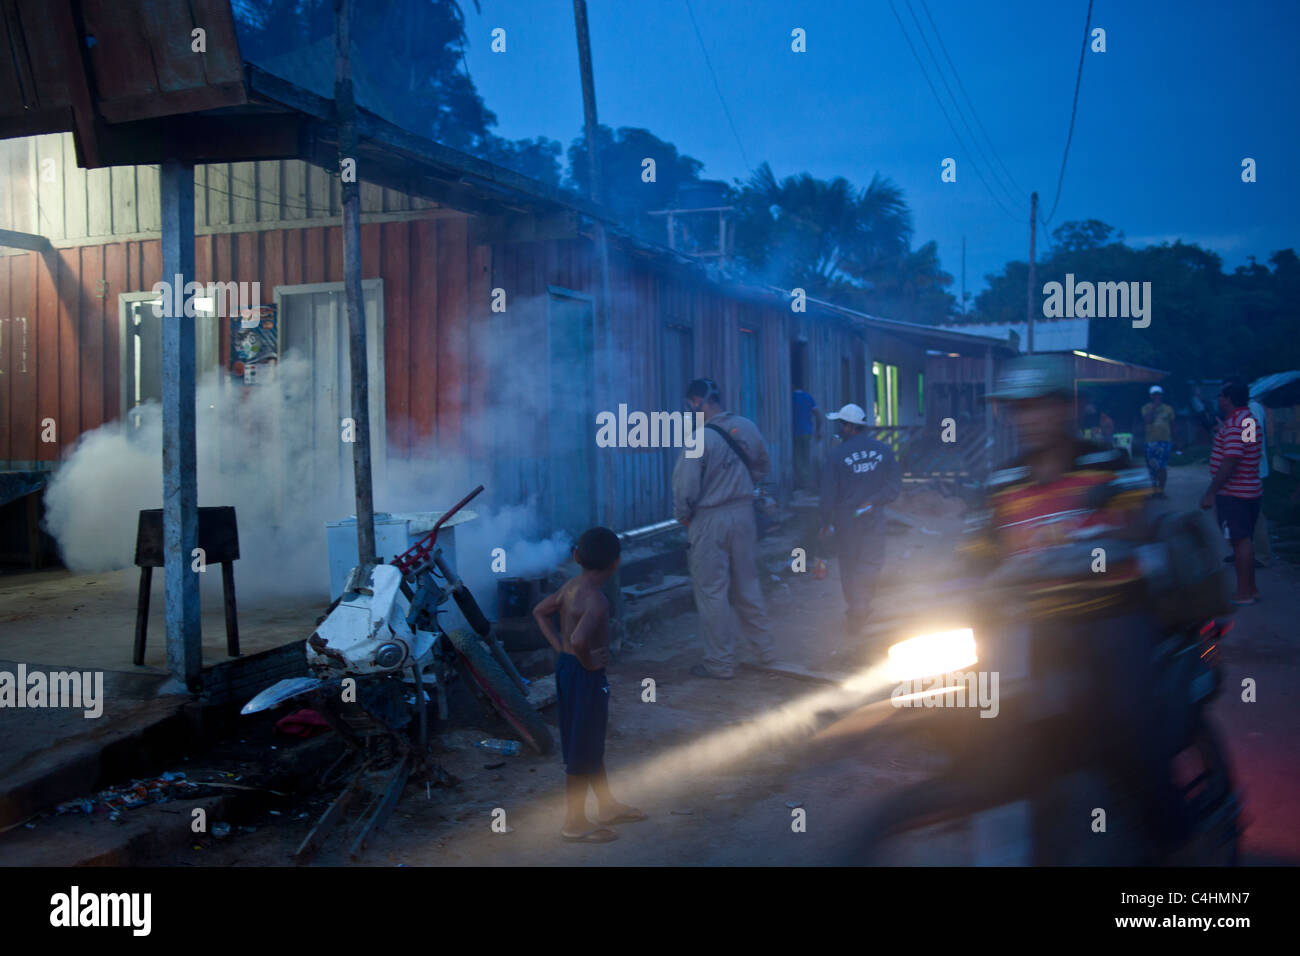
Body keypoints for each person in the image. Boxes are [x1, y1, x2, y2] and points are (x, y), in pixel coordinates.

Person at [966, 354, 1188, 861]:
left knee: (1132, 735)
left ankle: (1181, 846)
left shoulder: (1108, 466)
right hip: (1039, 626)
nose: (1028, 419)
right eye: (1018, 409)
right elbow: (978, 551)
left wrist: (1086, 547)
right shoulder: (1003, 482)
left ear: (1069, 409)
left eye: (1040, 407)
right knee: (1011, 735)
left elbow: (1141, 527)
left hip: (1115, 616)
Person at [533, 527, 645, 843]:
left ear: (577, 557)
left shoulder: (571, 586)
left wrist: (560, 648)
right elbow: (580, 638)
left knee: (588, 741)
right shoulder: (597, 601)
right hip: (585, 676)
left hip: (567, 670)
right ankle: (574, 822)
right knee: (583, 747)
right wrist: (587, 662)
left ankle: (606, 805)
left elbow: (540, 612)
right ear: (617, 562)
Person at [672, 377, 780, 679]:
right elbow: (762, 467)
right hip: (745, 515)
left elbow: (685, 489)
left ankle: (720, 663)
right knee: (748, 584)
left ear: (696, 402)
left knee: (712, 592)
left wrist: (684, 516)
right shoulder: (748, 427)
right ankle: (765, 652)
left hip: (709, 520)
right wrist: (739, 486)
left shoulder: (697, 439)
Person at [818, 402, 900, 640]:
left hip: (847, 521)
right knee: (871, 563)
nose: (839, 429)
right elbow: (894, 487)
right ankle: (863, 604)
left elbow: (828, 494)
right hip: (874, 516)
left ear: (847, 426)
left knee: (850, 566)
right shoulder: (884, 450)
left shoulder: (836, 455)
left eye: (840, 425)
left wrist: (825, 522)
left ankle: (857, 607)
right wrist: (874, 501)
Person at [1201, 382, 1262, 605]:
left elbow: (1232, 460)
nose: (1218, 400)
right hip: (1250, 489)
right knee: (1245, 541)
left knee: (1239, 541)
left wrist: (1211, 492)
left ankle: (1243, 593)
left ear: (1228, 399)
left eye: (1221, 396)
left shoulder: (1236, 423)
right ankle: (1251, 589)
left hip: (1234, 492)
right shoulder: (1247, 420)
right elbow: (1245, 451)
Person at [1141, 385, 1175, 497]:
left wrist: (1177, 440)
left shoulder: (1168, 408)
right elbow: (1147, 421)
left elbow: (1172, 425)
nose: (1157, 396)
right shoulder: (1146, 407)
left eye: (1158, 394)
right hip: (1150, 442)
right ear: (1151, 396)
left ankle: (1161, 491)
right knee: (1152, 468)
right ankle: (1153, 490)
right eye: (1154, 394)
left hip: (1165, 441)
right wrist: (1153, 408)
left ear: (1162, 395)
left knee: (1162, 467)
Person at [792, 386, 821, 491]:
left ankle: (805, 484)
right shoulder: (808, 397)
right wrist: (818, 430)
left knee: (798, 459)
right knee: (805, 458)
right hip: (807, 431)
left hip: (796, 432)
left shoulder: (791, 397)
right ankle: (807, 483)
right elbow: (818, 414)